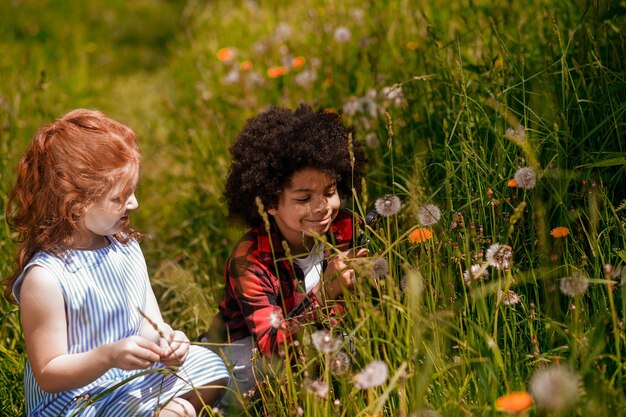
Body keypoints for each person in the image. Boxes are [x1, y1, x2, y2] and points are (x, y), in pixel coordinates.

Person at [3, 109, 229, 417]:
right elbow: (48, 372)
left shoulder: (126, 247)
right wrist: (107, 357)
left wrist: (167, 341)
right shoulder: (46, 278)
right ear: (74, 202)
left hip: (130, 380)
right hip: (77, 401)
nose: (134, 203)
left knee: (210, 364)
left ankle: (172, 411)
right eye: (119, 197)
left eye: (132, 191)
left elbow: (151, 323)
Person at [204, 103, 368, 399]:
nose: (322, 208)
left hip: (314, 346)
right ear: (270, 202)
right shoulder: (250, 259)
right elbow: (272, 348)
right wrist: (324, 294)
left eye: (330, 192)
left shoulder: (346, 228)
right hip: (241, 357)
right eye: (304, 198)